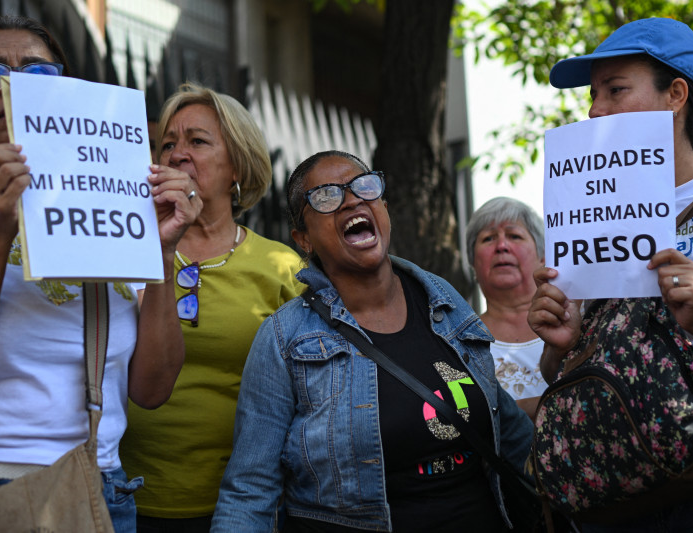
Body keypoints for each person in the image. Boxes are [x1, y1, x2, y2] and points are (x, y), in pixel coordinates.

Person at [0, 15, 199, 533]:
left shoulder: (115, 209)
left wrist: (162, 256)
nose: (13, 85)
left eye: (38, 71)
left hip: (104, 487)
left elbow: (151, 390)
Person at [210, 150, 533, 532]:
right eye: (327, 197)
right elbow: (250, 490)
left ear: (383, 207)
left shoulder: (444, 302)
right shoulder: (284, 337)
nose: (351, 200)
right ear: (304, 239)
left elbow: (508, 430)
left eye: (364, 186)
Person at [529, 17, 693, 532]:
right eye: (594, 93)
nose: (595, 109)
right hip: (617, 477)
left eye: (616, 90)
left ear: (675, 94)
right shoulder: (583, 211)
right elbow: (561, 373)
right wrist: (557, 344)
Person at [119, 82, 305, 531]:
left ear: (236, 166)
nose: (177, 154)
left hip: (243, 507)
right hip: (123, 499)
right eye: (167, 144)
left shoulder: (282, 268)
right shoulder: (122, 252)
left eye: (197, 141)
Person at [466, 197, 546, 418]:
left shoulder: (580, 324)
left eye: (514, 236)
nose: (501, 246)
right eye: (488, 238)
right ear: (473, 264)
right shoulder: (460, 343)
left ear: (543, 257)